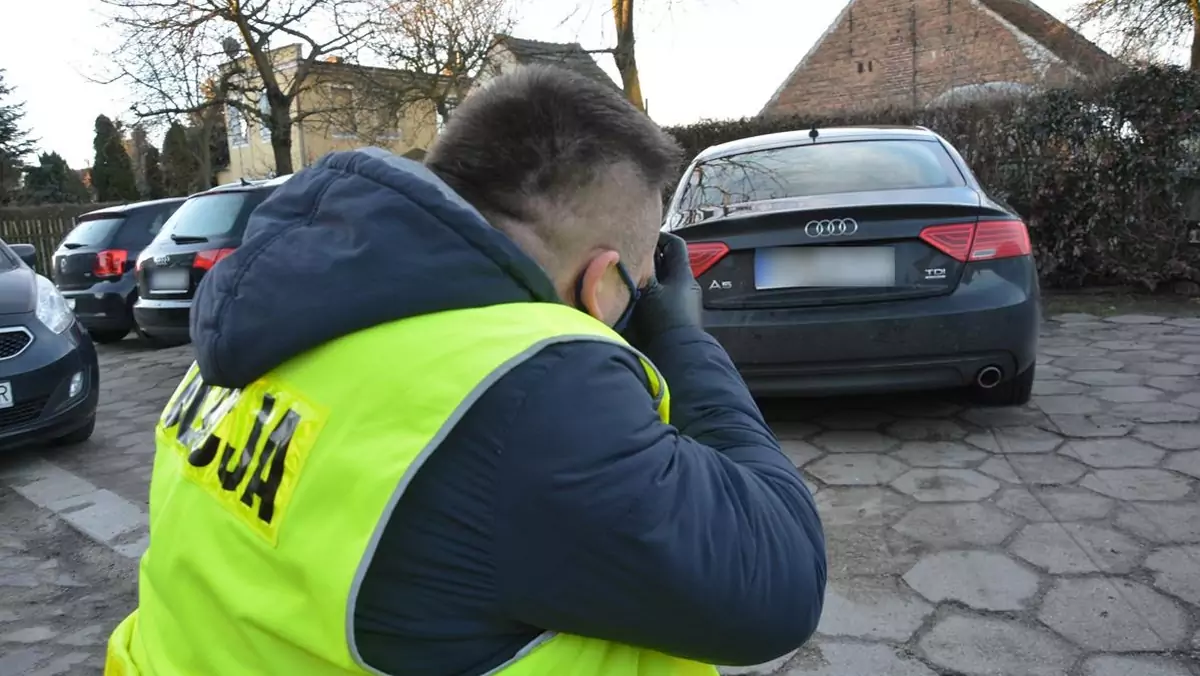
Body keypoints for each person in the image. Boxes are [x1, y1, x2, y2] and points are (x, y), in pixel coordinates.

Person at [105, 65, 826, 676]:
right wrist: (683, 338)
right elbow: (782, 582)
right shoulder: (528, 392)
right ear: (604, 282)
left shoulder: (275, 320)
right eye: (636, 283)